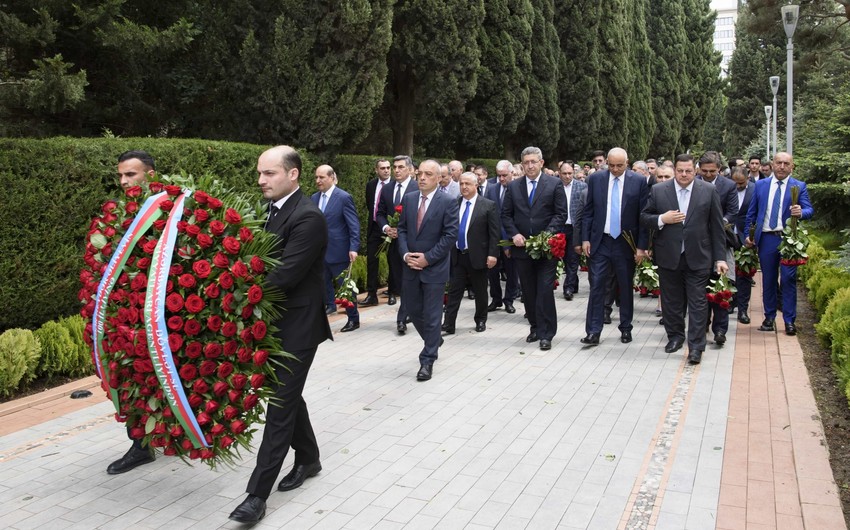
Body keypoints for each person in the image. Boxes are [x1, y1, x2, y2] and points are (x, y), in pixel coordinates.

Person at [229, 146, 333, 524]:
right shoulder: (269, 212)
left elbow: (283, 275)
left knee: (280, 406)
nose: (261, 180)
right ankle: (308, 458)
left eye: (269, 173)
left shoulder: (308, 218)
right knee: (287, 397)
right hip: (272, 325)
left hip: (298, 329)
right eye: (260, 173)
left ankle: (256, 496)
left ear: (293, 175)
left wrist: (231, 296)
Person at [641, 153, 728, 365]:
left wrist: (720, 258)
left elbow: (716, 227)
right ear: (675, 170)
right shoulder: (659, 190)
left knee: (698, 303)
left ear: (695, 170)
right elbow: (644, 217)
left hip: (699, 256)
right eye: (680, 170)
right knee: (671, 302)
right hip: (668, 255)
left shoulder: (707, 191)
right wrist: (662, 219)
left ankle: (696, 346)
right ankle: (675, 337)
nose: (684, 174)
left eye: (688, 171)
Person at [105, 149, 157, 475]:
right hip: (127, 315)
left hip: (159, 312)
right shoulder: (119, 213)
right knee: (131, 375)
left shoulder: (166, 208)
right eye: (121, 175)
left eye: (131, 175)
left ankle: (172, 432)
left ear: (149, 175)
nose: (124, 181)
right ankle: (140, 444)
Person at [501, 146, 568, 351]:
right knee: (528, 291)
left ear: (541, 163)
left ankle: (547, 332)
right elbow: (506, 215)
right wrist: (514, 234)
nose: (530, 166)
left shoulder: (554, 184)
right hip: (522, 249)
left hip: (546, 248)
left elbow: (560, 214)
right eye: (526, 162)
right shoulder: (514, 187)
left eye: (533, 162)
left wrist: (546, 235)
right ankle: (535, 327)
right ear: (522, 165)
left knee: (545, 290)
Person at [398, 160, 459, 381]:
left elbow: (450, 236)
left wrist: (428, 259)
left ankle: (427, 359)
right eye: (420, 173)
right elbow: (402, 229)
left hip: (434, 268)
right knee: (413, 311)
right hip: (411, 266)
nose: (422, 177)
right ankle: (434, 339)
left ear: (438, 178)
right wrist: (406, 254)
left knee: (433, 316)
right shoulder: (410, 198)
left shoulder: (449, 202)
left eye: (428, 174)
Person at [581, 147, 648, 345]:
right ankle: (594, 331)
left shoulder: (638, 181)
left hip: (626, 242)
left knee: (625, 286)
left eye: (620, 166)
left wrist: (641, 246)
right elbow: (589, 211)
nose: (615, 169)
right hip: (601, 241)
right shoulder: (596, 179)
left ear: (627, 163)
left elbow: (643, 215)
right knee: (597, 286)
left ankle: (626, 327)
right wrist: (585, 239)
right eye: (611, 165)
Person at [745, 151, 814, 335]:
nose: (782, 166)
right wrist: (748, 235)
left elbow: (809, 210)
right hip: (767, 238)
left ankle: (789, 321)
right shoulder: (761, 186)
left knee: (788, 279)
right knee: (768, 280)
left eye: (786, 163)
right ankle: (769, 318)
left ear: (792, 166)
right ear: (772, 164)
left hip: (788, 240)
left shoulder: (798, 186)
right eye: (778, 163)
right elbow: (752, 213)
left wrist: (801, 212)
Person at [442, 172, 499, 334]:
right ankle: (449, 323)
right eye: (461, 184)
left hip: (478, 255)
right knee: (454, 291)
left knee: (480, 290)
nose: (464, 187)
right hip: (458, 255)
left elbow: (494, 233)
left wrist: (493, 254)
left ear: (476, 186)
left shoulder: (488, 205)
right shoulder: (455, 203)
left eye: (467, 184)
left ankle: (480, 320)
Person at [697, 151, 738, 346]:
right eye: (704, 171)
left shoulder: (728, 186)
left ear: (719, 170)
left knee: (721, 286)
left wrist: (720, 222)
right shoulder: (694, 183)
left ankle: (720, 329)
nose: (707, 175)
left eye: (712, 171)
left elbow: (733, 211)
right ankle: (702, 324)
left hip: (721, 242)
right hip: (698, 244)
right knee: (701, 287)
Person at [312, 164, 360, 332]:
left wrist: (354, 247)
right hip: (320, 252)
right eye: (316, 177)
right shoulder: (314, 198)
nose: (318, 181)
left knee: (344, 287)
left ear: (332, 178)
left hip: (339, 250)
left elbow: (353, 225)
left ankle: (353, 318)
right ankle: (330, 306)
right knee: (323, 282)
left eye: (322, 177)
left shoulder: (344, 197)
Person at [376, 155, 419, 333]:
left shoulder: (417, 188)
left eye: (401, 167)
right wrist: (387, 228)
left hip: (413, 243)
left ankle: (401, 319)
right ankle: (409, 310)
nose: (397, 170)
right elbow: (379, 213)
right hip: (393, 243)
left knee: (409, 281)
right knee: (400, 281)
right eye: (395, 167)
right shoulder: (387, 189)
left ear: (409, 169)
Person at [486, 160, 519, 314]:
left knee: (512, 272)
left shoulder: (518, 190)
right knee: (492, 271)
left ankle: (509, 300)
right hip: (493, 238)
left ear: (512, 173)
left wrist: (508, 242)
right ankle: (496, 299)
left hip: (511, 238)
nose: (501, 179)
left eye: (504, 175)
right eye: (499, 176)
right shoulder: (491, 189)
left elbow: (514, 218)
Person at [362, 159, 392, 307]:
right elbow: (370, 204)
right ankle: (371, 294)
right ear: (376, 170)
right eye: (383, 168)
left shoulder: (394, 186)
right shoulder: (371, 185)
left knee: (392, 259)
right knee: (372, 260)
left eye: (388, 167)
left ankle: (392, 291)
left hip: (391, 227)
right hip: (374, 227)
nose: (386, 170)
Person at [559, 160, 587, 300]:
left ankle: (568, 288)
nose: (567, 176)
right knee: (564, 259)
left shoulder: (582, 187)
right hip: (560, 227)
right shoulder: (555, 187)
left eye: (570, 173)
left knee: (573, 258)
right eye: (564, 173)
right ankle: (573, 281)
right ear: (559, 173)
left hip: (575, 228)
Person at [731, 166, 755, 324]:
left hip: (745, 237)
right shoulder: (727, 188)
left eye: (741, 183)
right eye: (735, 183)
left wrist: (751, 236)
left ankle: (743, 309)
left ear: (747, 179)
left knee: (744, 274)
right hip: (727, 235)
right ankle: (729, 303)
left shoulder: (755, 189)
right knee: (727, 272)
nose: (738, 186)